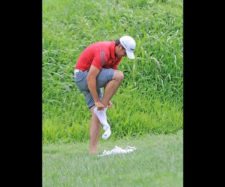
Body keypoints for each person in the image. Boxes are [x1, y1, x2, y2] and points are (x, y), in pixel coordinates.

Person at [73, 35, 136, 154]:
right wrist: (99, 101)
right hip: (83, 76)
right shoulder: (104, 52)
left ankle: (93, 152)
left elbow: (109, 78)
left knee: (97, 115)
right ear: (119, 46)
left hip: (86, 78)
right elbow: (91, 77)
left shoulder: (117, 55)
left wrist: (107, 96)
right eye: (125, 52)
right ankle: (102, 105)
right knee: (119, 75)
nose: (125, 55)